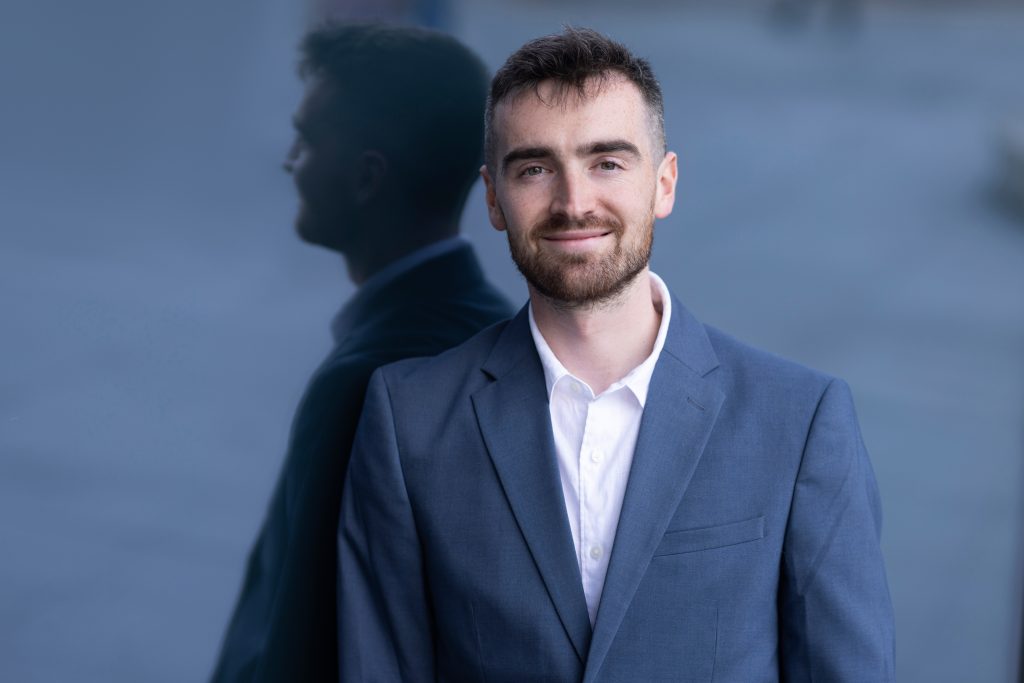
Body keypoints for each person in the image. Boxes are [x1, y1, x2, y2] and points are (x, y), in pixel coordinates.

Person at [337, 27, 895, 681]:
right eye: (535, 168)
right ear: (493, 198)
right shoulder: (408, 420)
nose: (574, 203)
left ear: (664, 184)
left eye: (607, 162)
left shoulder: (799, 422)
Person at [210, 24, 514, 683]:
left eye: (308, 140)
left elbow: (310, 642)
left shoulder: (364, 383)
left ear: (366, 177)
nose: (290, 160)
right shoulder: (510, 341)